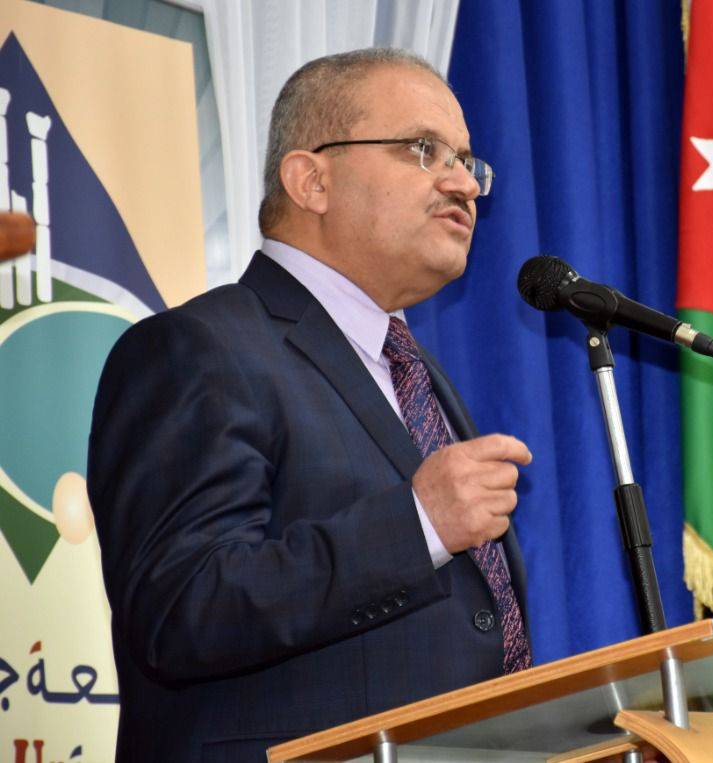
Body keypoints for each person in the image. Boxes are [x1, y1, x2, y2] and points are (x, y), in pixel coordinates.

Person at [87, 48, 534, 761]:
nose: (462, 183)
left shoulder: (415, 374)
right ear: (312, 181)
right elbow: (181, 608)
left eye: (466, 161)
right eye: (424, 150)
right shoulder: (198, 349)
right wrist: (419, 523)